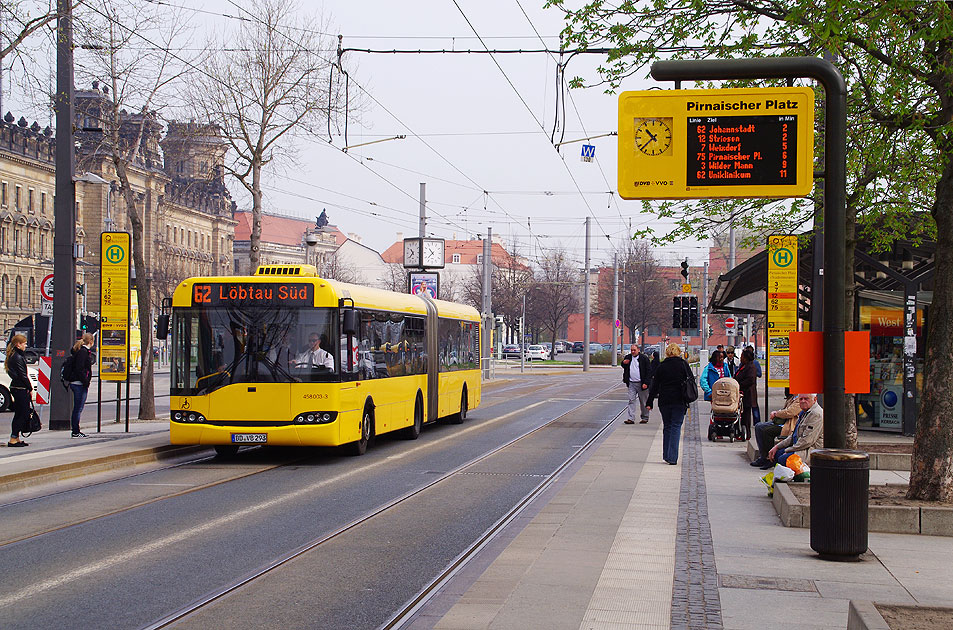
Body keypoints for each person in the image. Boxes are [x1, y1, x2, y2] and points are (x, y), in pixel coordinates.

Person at [646, 343, 694, 465]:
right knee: (676, 426)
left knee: (667, 426)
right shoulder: (683, 365)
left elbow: (655, 385)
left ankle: (667, 455)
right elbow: (691, 380)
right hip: (679, 400)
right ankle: (672, 457)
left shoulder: (662, 366)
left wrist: (649, 401)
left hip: (665, 401)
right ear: (678, 352)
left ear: (667, 353)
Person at [765, 393, 824, 469]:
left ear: (815, 399)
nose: (803, 401)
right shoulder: (804, 412)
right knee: (776, 453)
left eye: (806, 399)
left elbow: (807, 441)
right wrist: (777, 446)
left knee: (782, 458)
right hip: (800, 447)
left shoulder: (816, 414)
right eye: (801, 399)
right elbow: (793, 435)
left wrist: (788, 450)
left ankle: (793, 476)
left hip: (809, 450)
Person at [750, 389, 800, 468]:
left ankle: (770, 459)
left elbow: (790, 412)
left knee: (766, 431)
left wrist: (776, 413)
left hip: (789, 425)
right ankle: (763, 456)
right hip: (782, 422)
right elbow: (785, 411)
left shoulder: (799, 399)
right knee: (758, 426)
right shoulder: (792, 398)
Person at [5, 334, 33, 447]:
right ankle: (13, 438)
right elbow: (23, 375)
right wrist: (29, 387)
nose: (25, 346)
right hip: (20, 388)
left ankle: (16, 437)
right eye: (24, 343)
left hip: (16, 387)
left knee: (20, 413)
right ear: (18, 344)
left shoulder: (13, 356)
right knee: (22, 413)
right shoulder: (17, 357)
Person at [66, 333, 95, 438]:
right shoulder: (83, 352)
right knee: (78, 408)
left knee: (78, 408)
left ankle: (76, 430)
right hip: (79, 384)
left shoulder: (80, 351)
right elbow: (80, 368)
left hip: (77, 383)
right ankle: (75, 431)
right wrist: (86, 381)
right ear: (91, 341)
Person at [621, 343, 651, 424]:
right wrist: (624, 363)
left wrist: (646, 383)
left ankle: (645, 417)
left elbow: (649, 371)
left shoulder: (644, 358)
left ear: (638, 350)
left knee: (643, 401)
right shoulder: (628, 357)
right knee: (631, 400)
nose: (633, 352)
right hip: (631, 383)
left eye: (634, 350)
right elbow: (623, 365)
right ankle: (631, 418)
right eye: (631, 350)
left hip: (642, 383)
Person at [733, 348, 759, 441]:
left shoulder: (750, 367)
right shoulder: (743, 366)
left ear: (745, 358)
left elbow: (750, 380)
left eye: (742, 357)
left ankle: (746, 433)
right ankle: (739, 432)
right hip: (740, 394)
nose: (740, 358)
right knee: (741, 415)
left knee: (746, 416)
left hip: (747, 395)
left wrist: (739, 385)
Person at [746, 345, 763, 423]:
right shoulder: (744, 362)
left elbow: (759, 374)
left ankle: (757, 421)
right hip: (747, 387)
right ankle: (754, 421)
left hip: (751, 387)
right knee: (752, 405)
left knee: (753, 404)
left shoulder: (754, 363)